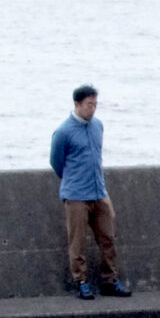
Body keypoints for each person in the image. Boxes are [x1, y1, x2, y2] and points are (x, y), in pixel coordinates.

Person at [51, 85, 132, 301]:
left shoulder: (98, 126)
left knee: (108, 237)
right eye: (89, 104)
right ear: (77, 104)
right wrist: (73, 181)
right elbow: (56, 163)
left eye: (95, 104)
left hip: (99, 192)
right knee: (77, 242)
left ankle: (110, 280)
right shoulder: (63, 132)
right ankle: (82, 282)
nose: (93, 109)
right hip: (76, 195)